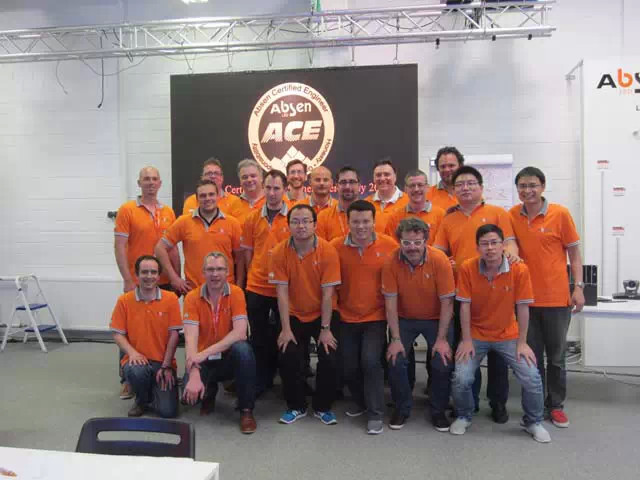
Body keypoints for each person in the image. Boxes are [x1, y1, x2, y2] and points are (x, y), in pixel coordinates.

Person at [434, 164, 519, 422]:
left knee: (498, 356)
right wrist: (445, 262)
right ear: (454, 190)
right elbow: (438, 251)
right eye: (460, 184)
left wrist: (511, 255)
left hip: (497, 294)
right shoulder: (448, 219)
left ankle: (498, 402)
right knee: (467, 350)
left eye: (471, 183)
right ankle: (468, 403)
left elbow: (510, 243)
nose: (465, 188)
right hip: (463, 296)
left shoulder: (497, 213)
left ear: (481, 187)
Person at [450, 224, 550, 443]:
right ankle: (464, 415)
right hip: (476, 335)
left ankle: (533, 422)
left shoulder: (519, 269)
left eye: (494, 242)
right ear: (477, 247)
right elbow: (464, 306)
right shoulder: (468, 268)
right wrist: (466, 340)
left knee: (532, 377)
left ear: (503, 245)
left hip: (508, 335)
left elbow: (523, 307)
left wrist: (522, 342)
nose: (490, 248)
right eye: (484, 244)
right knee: (461, 378)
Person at [510, 166, 584, 428]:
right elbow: (510, 244)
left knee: (556, 358)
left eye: (532, 185)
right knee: (531, 357)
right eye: (522, 186)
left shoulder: (560, 214)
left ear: (542, 187)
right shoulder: (512, 215)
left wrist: (578, 287)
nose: (527, 190)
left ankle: (556, 406)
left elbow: (574, 255)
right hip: (525, 301)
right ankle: (536, 406)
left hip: (556, 299)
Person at [269, 204, 342, 425]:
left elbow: (328, 294)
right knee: (287, 352)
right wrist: (285, 329)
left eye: (306, 221)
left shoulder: (328, 250)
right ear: (288, 225)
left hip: (323, 313)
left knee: (329, 354)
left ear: (315, 225)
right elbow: (281, 293)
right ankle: (296, 405)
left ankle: (322, 406)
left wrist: (325, 329)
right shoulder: (279, 251)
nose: (301, 226)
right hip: (293, 313)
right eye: (295, 221)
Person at [330, 200, 398, 435]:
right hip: (346, 316)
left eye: (366, 221)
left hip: (375, 317)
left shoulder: (389, 246)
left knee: (370, 362)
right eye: (356, 222)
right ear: (347, 222)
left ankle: (376, 413)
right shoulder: (335, 247)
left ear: (374, 222)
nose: (361, 227)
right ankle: (361, 401)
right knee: (348, 366)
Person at [383, 218, 455, 431]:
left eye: (417, 242)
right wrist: (395, 339)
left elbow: (447, 303)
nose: (412, 247)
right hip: (405, 318)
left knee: (442, 360)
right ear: (400, 242)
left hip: (436, 318)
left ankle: (438, 410)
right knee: (395, 359)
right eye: (406, 243)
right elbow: (390, 304)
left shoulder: (439, 260)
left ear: (426, 241)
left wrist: (442, 339)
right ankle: (402, 408)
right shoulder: (390, 261)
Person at [114, 166, 178, 400]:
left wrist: (176, 276)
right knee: (130, 328)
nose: (150, 183)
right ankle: (128, 379)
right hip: (137, 281)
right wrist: (127, 279)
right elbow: (120, 247)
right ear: (139, 183)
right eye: (146, 179)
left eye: (154, 179)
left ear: (160, 183)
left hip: (164, 281)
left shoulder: (168, 212)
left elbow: (172, 249)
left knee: (162, 331)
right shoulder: (127, 210)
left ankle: (164, 368)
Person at [182, 252, 257, 434]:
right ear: (203, 272)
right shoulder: (191, 298)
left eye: (220, 269)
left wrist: (203, 353)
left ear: (227, 272)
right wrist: (194, 372)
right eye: (210, 269)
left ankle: (246, 410)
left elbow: (240, 333)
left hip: (227, 357)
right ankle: (209, 389)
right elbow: (190, 339)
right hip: (203, 361)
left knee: (244, 350)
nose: (215, 274)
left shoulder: (236, 293)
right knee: (189, 398)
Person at [110, 255, 182, 418]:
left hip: (162, 362)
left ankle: (154, 390)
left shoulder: (171, 299)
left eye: (153, 272)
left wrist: (166, 366)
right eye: (144, 272)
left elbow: (174, 335)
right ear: (137, 274)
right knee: (137, 371)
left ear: (159, 275)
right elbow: (117, 333)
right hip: (137, 361)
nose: (149, 276)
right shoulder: (124, 301)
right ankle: (142, 400)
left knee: (168, 412)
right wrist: (133, 353)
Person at [241, 170, 292, 395]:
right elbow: (248, 254)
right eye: (268, 188)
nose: (272, 193)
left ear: (285, 189)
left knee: (286, 335)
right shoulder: (252, 218)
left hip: (285, 288)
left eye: (276, 188)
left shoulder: (294, 216)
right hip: (257, 287)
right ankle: (262, 380)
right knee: (259, 338)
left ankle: (289, 382)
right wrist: (250, 277)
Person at [155, 179, 243, 295]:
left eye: (211, 194)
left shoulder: (232, 223)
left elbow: (240, 259)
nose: (207, 198)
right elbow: (159, 248)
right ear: (197, 199)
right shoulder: (184, 222)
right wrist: (174, 278)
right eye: (203, 195)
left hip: (225, 291)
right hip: (194, 292)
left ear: (217, 197)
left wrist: (239, 286)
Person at [385, 169, 445, 246]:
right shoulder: (395, 217)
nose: (416, 189)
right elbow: (392, 247)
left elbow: (443, 246)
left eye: (420, 185)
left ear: (427, 187)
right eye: (412, 186)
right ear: (405, 189)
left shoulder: (441, 215)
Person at [317, 165, 361, 241]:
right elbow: (320, 247)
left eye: (352, 182)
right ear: (337, 186)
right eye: (343, 182)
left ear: (359, 186)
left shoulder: (371, 214)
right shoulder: (323, 217)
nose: (347, 187)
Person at [365, 157, 409, 233]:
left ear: (395, 176)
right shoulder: (366, 204)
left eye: (387, 174)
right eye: (378, 175)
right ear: (373, 178)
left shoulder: (409, 202)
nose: (382, 179)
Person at [229, 159, 266, 225]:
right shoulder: (233, 206)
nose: (249, 180)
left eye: (253, 176)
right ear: (240, 181)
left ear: (261, 178)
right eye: (245, 177)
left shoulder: (275, 201)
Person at [427, 146, 463, 211]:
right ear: (438, 168)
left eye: (451, 165)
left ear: (460, 167)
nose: (447, 170)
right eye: (443, 166)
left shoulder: (470, 193)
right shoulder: (427, 195)